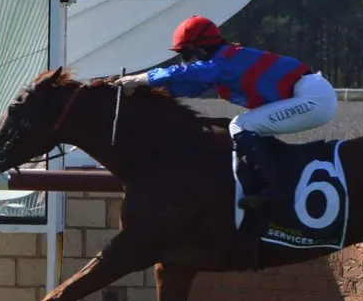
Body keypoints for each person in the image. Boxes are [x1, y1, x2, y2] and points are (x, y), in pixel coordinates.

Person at [116, 15, 337, 207]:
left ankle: (273, 188)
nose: (184, 61)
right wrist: (144, 91)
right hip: (307, 94)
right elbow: (187, 86)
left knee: (241, 125)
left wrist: (139, 78)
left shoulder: (224, 60)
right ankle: (270, 178)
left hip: (312, 98)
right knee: (250, 127)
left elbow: (184, 73)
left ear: (200, 49)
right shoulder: (221, 65)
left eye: (184, 54)